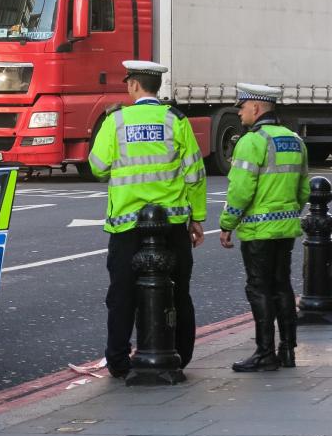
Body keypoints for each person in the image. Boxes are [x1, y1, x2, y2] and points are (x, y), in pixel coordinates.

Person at [89, 60, 207, 378]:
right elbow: (195, 173)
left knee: (122, 294)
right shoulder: (176, 121)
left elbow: (97, 167)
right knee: (178, 290)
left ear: (134, 86)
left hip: (128, 225)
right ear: (156, 87)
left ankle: (118, 360)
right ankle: (180, 354)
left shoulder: (116, 120)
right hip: (172, 224)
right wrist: (197, 218)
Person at [220, 83, 310, 372]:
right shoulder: (295, 140)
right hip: (285, 229)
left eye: (243, 107)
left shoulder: (251, 141)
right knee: (282, 286)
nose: (240, 112)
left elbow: (241, 191)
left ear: (256, 108)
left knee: (258, 288)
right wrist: (290, 212)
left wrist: (227, 224)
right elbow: (304, 189)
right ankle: (288, 351)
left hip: (258, 232)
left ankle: (264, 353)